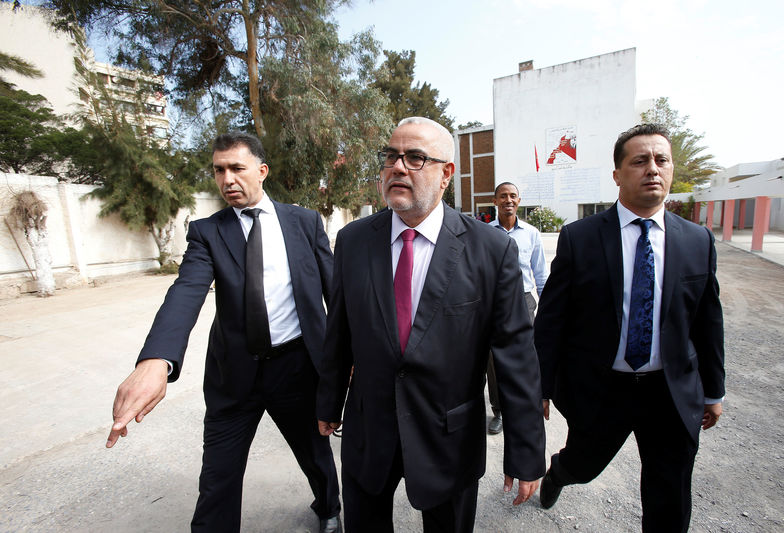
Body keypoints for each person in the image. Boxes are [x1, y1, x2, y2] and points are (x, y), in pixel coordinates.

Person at [316, 117, 546, 532]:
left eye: (416, 158)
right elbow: (340, 331)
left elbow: (516, 354)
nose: (398, 167)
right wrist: (329, 401)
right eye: (391, 156)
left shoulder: (491, 249)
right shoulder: (353, 241)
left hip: (449, 437)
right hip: (370, 431)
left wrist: (525, 449)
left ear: (446, 175)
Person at [105, 132, 342, 533]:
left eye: (237, 168)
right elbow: (185, 292)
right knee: (218, 478)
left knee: (315, 455)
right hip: (234, 376)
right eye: (219, 170)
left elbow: (335, 294)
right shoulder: (206, 232)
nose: (227, 178)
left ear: (262, 171)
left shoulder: (302, 222)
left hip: (298, 369)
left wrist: (346, 362)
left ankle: (329, 507)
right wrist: (156, 360)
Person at [534, 124, 725, 532]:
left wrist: (713, 390)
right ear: (618, 174)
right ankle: (559, 473)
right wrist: (540, 386)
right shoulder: (579, 238)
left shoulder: (697, 241)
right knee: (583, 464)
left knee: (669, 494)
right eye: (639, 161)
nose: (652, 169)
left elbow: (708, 321)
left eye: (662, 160)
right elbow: (551, 320)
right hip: (604, 388)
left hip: (671, 391)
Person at [485, 181, 549, 434]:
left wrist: (546, 310)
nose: (508, 200)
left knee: (526, 356)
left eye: (512, 196)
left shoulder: (531, 233)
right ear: (495, 201)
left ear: (519, 201)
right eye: (503, 196)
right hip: (494, 303)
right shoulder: (485, 232)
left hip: (524, 301)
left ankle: (524, 408)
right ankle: (499, 411)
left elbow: (541, 273)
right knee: (493, 360)